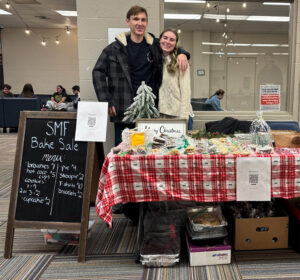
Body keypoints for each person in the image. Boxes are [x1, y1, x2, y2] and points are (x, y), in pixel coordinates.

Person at [92, 5, 189, 147]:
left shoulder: (154, 45)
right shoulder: (114, 49)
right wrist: (106, 99)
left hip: (149, 113)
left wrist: (183, 53)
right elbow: (97, 72)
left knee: (148, 151)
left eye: (143, 20)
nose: (140, 23)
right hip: (123, 110)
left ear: (147, 23)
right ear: (128, 21)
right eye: (135, 19)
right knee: (123, 152)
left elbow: (170, 44)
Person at [158, 28, 194, 127]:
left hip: (179, 116)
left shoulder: (181, 61)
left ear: (176, 43)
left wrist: (183, 119)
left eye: (172, 40)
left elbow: (186, 92)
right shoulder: (156, 60)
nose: (167, 42)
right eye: (165, 38)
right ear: (159, 40)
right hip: (162, 115)